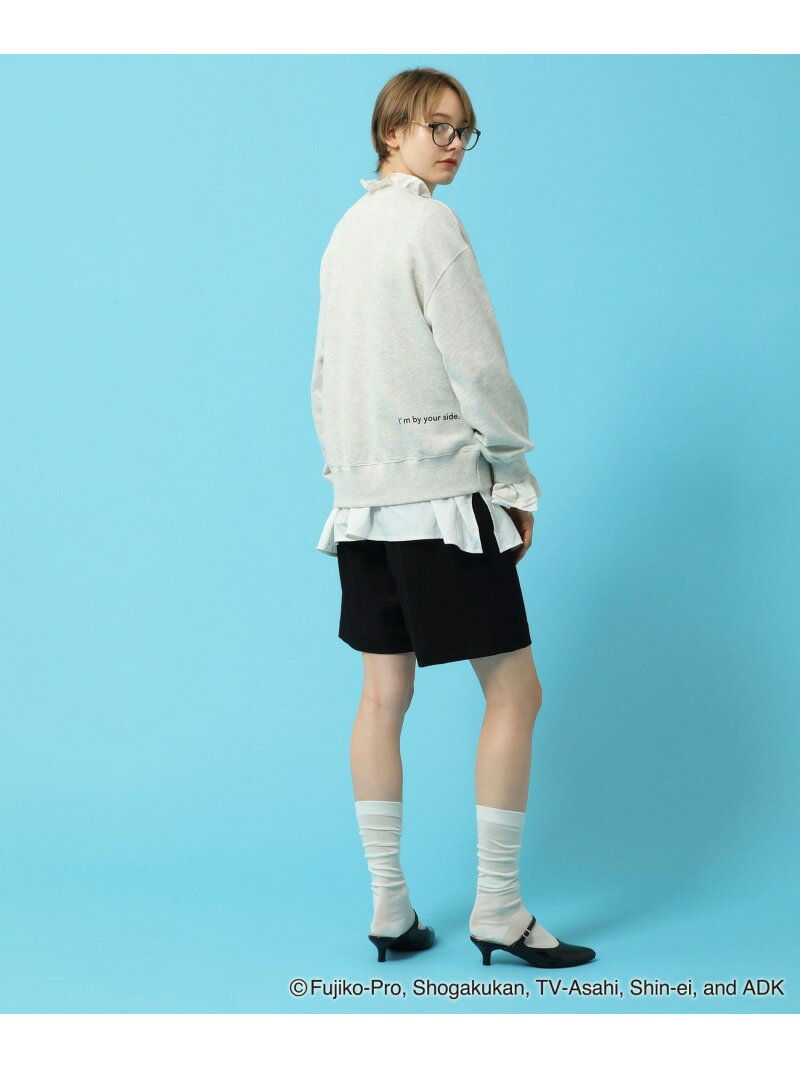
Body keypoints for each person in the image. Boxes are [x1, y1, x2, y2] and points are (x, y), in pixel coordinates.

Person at [310, 67, 596, 969]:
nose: (453, 144)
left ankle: (389, 908)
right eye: (437, 126)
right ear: (390, 131)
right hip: (439, 501)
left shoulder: (346, 232)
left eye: (464, 130)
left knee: (381, 696)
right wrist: (513, 479)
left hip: (362, 505)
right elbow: (479, 365)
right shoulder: (430, 226)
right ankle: (498, 908)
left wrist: (350, 476)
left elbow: (323, 376)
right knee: (516, 692)